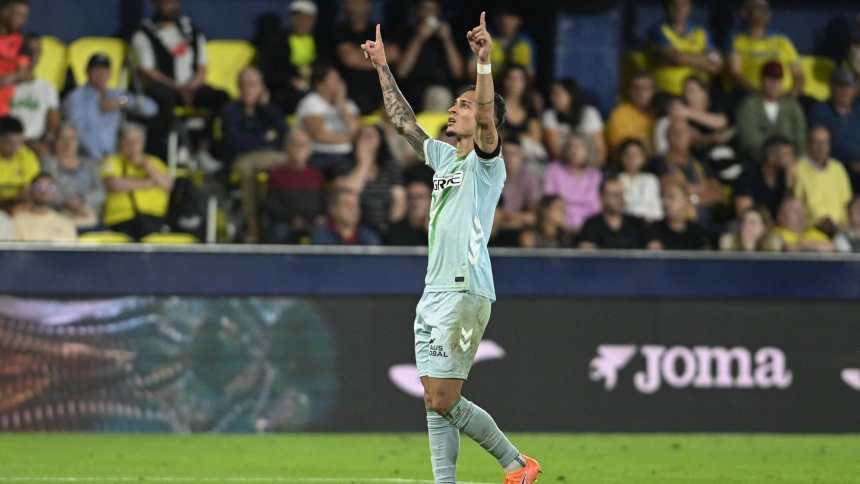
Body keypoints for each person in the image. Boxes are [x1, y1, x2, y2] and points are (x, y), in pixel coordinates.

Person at [361, 14, 542, 484]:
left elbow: (485, 114)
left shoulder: (488, 164)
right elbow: (402, 122)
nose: (455, 110)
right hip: (434, 291)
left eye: (464, 105)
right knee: (432, 401)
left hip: (465, 289)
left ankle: (517, 465)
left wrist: (484, 62)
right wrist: (382, 66)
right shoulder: (443, 157)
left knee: (443, 399)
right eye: (455, 105)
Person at [131, 0, 230, 144]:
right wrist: (178, 89)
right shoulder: (143, 34)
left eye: (175, 2)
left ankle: (206, 145)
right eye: (167, 3)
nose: (172, 7)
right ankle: (178, 145)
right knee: (162, 96)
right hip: (165, 88)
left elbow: (202, 67)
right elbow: (148, 71)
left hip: (192, 88)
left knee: (221, 97)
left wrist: (191, 87)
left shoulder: (193, 31)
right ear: (155, 4)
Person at [220, 67, 289, 242]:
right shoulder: (230, 111)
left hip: (271, 157)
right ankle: (252, 228)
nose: (248, 89)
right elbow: (235, 143)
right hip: (242, 159)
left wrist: (265, 106)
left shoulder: (269, 110)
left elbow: (285, 135)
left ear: (262, 88)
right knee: (247, 169)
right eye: (244, 85)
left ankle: (288, 219)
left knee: (294, 161)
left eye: (253, 85)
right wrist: (265, 139)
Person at [63, 53, 158, 161]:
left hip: (115, 158)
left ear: (110, 73)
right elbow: (78, 134)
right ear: (87, 72)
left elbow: (151, 109)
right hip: (86, 158)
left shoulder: (116, 94)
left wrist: (123, 102)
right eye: (96, 70)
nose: (101, 74)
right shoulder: (75, 98)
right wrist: (102, 159)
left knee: (134, 132)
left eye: (104, 70)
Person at [100, 123, 173, 240]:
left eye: (136, 141)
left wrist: (146, 165)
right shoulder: (113, 161)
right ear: (120, 143)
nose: (132, 145)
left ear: (142, 143)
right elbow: (114, 184)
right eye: (128, 141)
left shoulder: (154, 162)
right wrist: (148, 183)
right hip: (121, 218)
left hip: (154, 217)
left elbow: (168, 185)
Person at [334, 125, 406, 236]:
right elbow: (349, 192)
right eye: (361, 136)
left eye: (369, 136)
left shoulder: (389, 165)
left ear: (380, 140)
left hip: (387, 224)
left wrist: (391, 225)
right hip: (356, 225)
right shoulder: (344, 163)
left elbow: (399, 198)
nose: (365, 139)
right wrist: (364, 162)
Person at [725, 0, 803, 97]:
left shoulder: (782, 40)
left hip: (786, 96)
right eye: (758, 7)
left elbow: (798, 75)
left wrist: (793, 95)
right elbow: (735, 74)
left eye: (766, 8)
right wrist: (761, 96)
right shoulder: (735, 40)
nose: (764, 11)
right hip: (753, 96)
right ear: (744, 13)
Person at [334, 0, 400, 115]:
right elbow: (350, 59)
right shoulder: (338, 31)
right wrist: (379, 57)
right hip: (351, 95)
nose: (352, 7)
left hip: (381, 95)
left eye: (357, 2)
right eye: (348, 3)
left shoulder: (379, 31)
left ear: (368, 5)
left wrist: (359, 55)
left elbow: (394, 54)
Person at [395, 0, 463, 112]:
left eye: (433, 10)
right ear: (415, 11)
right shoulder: (405, 34)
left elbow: (458, 72)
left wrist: (447, 40)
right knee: (439, 95)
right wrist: (418, 38)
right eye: (424, 9)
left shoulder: (445, 36)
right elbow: (401, 73)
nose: (429, 14)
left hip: (448, 88)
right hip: (416, 92)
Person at [258, 0, 324, 115]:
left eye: (306, 17)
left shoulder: (321, 42)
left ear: (313, 20)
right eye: (297, 16)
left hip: (316, 88)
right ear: (290, 18)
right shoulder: (275, 42)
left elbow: (327, 67)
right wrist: (290, 80)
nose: (301, 21)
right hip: (285, 92)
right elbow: (265, 71)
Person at [295, 63, 361, 177]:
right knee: (347, 167)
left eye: (339, 78)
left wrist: (341, 106)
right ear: (320, 85)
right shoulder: (311, 102)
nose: (339, 83)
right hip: (321, 154)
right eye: (333, 79)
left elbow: (357, 131)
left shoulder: (348, 104)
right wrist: (351, 139)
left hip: (349, 153)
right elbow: (319, 135)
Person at [653, 119, 723, 226]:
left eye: (683, 131)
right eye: (674, 131)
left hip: (707, 222)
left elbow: (718, 193)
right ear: (667, 136)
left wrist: (693, 198)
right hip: (678, 224)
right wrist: (702, 189)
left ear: (691, 136)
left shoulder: (700, 160)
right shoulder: (660, 161)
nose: (679, 135)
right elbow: (670, 189)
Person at [735, 61, 806, 162]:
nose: (773, 83)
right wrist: (773, 156)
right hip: (757, 161)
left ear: (781, 82)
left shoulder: (792, 107)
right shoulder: (749, 105)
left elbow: (800, 138)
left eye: (777, 79)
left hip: (790, 161)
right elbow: (749, 139)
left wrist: (791, 157)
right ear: (762, 80)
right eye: (769, 78)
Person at [653, 77, 733, 165]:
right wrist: (712, 138)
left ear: (704, 93)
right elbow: (693, 140)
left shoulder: (713, 106)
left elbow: (721, 122)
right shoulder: (680, 115)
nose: (687, 95)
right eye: (685, 91)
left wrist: (688, 112)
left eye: (692, 91)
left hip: (722, 151)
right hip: (696, 157)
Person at [648, 0, 722, 96]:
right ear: (667, 8)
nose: (679, 9)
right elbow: (677, 57)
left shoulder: (701, 32)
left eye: (683, 5)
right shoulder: (658, 30)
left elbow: (717, 64)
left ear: (690, 8)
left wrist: (682, 58)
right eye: (674, 5)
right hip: (668, 93)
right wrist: (705, 59)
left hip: (697, 95)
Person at [265, 130, 326, 244]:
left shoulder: (316, 174)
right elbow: (273, 206)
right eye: (295, 144)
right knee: (281, 232)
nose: (298, 149)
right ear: (286, 147)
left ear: (310, 150)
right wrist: (292, 219)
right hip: (286, 222)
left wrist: (321, 216)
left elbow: (323, 202)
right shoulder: (276, 174)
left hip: (313, 222)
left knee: (324, 234)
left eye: (303, 145)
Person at [40, 123, 105, 230]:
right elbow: (47, 188)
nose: (68, 143)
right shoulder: (48, 163)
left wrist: (82, 200)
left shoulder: (91, 164)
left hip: (91, 218)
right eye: (62, 138)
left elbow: (101, 192)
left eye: (72, 138)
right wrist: (68, 202)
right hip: (60, 218)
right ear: (54, 140)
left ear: (77, 142)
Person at [794, 126, 853, 236]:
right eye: (817, 142)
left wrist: (843, 224)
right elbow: (796, 206)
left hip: (841, 229)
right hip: (811, 230)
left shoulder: (838, 168)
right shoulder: (797, 168)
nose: (821, 147)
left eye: (825, 142)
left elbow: (848, 202)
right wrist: (815, 223)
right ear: (807, 144)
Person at [810, 67, 860, 191]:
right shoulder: (820, 111)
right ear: (831, 88)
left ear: (854, 89)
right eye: (840, 87)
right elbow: (820, 145)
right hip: (833, 167)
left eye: (848, 87)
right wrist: (850, 161)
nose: (844, 91)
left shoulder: (858, 111)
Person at [578, 174, 660, 250]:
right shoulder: (592, 224)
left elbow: (655, 249)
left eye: (621, 194)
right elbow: (586, 254)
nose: (620, 199)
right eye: (614, 195)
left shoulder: (637, 223)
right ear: (602, 198)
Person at [10, 33, 58, 156]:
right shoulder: (5, 83)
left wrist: (46, 141)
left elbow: (53, 123)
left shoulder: (48, 88)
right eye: (28, 50)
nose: (32, 55)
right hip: (6, 141)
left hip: (36, 144)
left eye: (37, 51)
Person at [543, 134, 601, 232]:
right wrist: (566, 225)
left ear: (588, 150)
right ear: (565, 150)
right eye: (571, 146)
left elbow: (596, 207)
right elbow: (549, 201)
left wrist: (587, 227)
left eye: (579, 146)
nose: (575, 149)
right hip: (560, 225)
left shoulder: (595, 174)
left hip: (590, 227)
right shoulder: (554, 170)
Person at [542, 78, 605, 163]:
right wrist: (573, 171)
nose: (552, 98)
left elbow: (600, 149)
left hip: (589, 165)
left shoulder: (590, 113)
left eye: (557, 94)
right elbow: (555, 150)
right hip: (563, 166)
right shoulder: (549, 115)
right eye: (551, 94)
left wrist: (590, 171)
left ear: (571, 95)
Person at [734, 135, 795, 219]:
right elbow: (743, 213)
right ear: (771, 157)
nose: (790, 159)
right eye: (785, 155)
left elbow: (791, 211)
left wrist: (789, 185)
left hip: (779, 226)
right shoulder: (749, 175)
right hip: (752, 225)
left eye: (791, 154)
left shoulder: (785, 175)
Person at [466, 8, 536, 80]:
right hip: (486, 85)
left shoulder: (526, 42)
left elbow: (530, 76)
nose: (504, 20)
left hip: (515, 89)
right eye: (501, 15)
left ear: (519, 20)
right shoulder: (484, 38)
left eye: (510, 16)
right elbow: (471, 71)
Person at [606, 71, 656, 159]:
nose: (641, 92)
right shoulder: (619, 114)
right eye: (636, 88)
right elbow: (618, 150)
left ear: (653, 91)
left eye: (645, 88)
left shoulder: (659, 112)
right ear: (629, 91)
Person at [12, 172, 77, 242]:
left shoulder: (66, 224)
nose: (45, 191)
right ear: (31, 190)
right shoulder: (17, 221)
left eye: (50, 187)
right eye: (40, 187)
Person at [653, 178, 710, 250]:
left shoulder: (698, 234)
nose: (665, 202)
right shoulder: (653, 232)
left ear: (685, 201)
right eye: (663, 196)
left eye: (671, 197)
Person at [311, 188, 380, 246]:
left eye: (356, 206)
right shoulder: (321, 237)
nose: (353, 210)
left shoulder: (370, 237)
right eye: (347, 205)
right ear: (333, 209)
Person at [498, 137, 540, 233]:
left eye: (514, 154)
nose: (509, 158)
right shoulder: (490, 177)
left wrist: (511, 217)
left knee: (530, 222)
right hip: (495, 225)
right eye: (506, 154)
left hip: (519, 224)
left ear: (522, 155)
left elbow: (533, 213)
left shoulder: (529, 178)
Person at [617, 139, 663, 221]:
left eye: (635, 155)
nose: (631, 158)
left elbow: (657, 208)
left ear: (643, 158)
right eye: (627, 154)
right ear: (621, 157)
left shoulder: (651, 180)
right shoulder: (616, 180)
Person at [497, 64, 542, 148]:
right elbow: (490, 135)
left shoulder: (530, 108)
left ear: (525, 83)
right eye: (510, 78)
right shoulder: (494, 107)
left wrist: (509, 136)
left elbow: (536, 137)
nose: (514, 82)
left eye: (518, 79)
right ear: (503, 81)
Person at [0, 0, 31, 118]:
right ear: (6, 13)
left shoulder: (21, 41)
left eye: (25, 17)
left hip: (3, 111)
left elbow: (25, 73)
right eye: (20, 16)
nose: (23, 21)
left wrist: (15, 75)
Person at [0, 116, 38, 209]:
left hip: (19, 207)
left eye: (19, 142)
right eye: (10, 143)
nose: (15, 147)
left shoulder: (28, 157)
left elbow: (31, 191)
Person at [386, 179, 431, 246]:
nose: (415, 202)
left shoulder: (440, 231)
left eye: (420, 197)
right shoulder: (394, 231)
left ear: (430, 200)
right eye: (411, 197)